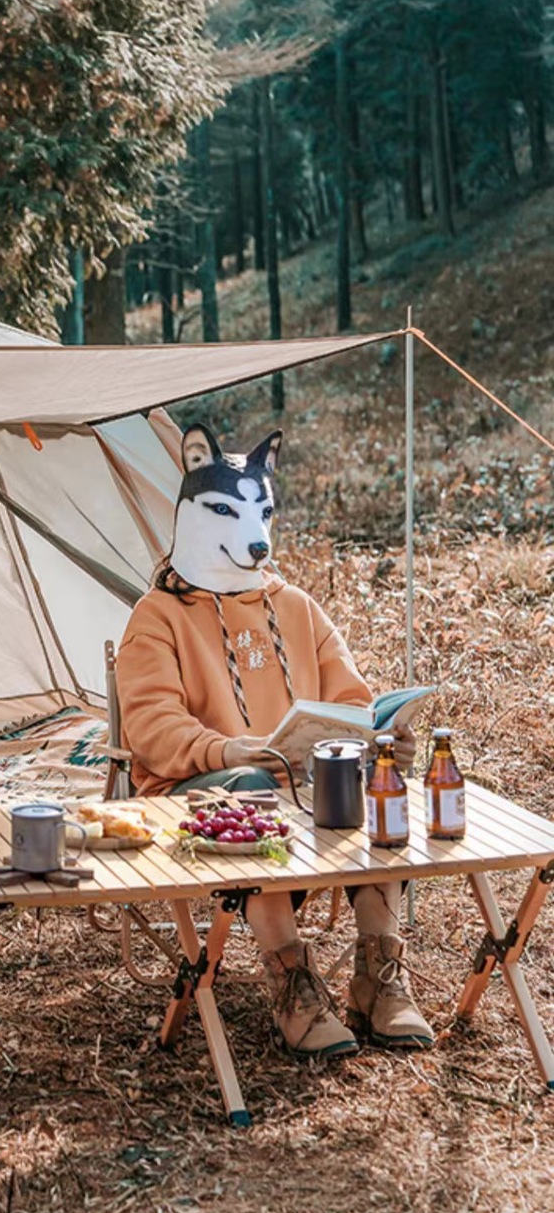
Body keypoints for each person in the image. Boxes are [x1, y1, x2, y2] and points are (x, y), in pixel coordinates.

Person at [115, 421, 434, 1060]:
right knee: (253, 789)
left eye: (261, 513)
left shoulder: (297, 608)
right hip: (200, 793)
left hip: (304, 787)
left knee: (371, 778)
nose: (254, 534)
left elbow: (350, 700)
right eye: (227, 512)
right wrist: (228, 750)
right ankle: (293, 986)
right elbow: (150, 728)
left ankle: (378, 978)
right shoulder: (157, 617)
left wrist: (379, 741)